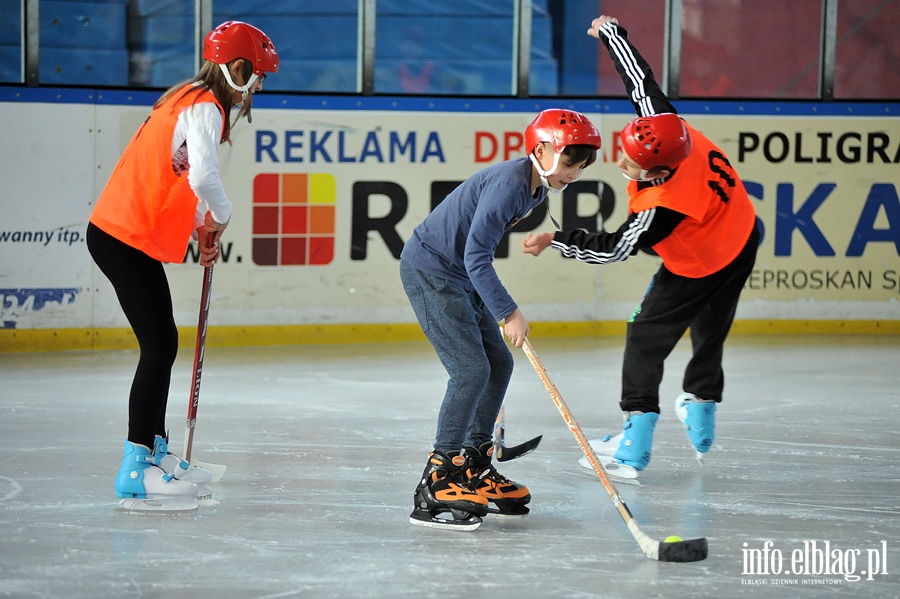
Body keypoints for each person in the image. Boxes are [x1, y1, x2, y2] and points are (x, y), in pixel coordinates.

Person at [522, 16, 759, 478]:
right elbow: (640, 80)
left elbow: (614, 248)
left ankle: (635, 439)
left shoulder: (661, 206)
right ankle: (702, 406)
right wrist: (613, 34)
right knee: (712, 327)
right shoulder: (667, 125)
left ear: (656, 174)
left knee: (644, 337)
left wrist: (558, 239)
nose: (619, 163)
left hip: (702, 261)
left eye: (631, 166)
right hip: (743, 231)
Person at [87, 21, 278, 510]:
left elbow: (178, 174)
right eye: (256, 77)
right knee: (160, 345)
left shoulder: (186, 97)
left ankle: (155, 451)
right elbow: (203, 174)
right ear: (237, 70)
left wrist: (200, 225)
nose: (257, 88)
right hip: (120, 236)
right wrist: (223, 215)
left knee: (163, 343)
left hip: (121, 234)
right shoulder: (206, 107)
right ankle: (135, 466)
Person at [400, 109, 601, 529]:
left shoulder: (535, 192)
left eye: (581, 166)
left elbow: (476, 252)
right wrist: (507, 311)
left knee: (500, 366)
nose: (575, 173)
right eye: (569, 163)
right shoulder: (511, 186)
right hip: (432, 271)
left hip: (457, 276)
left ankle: (473, 463)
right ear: (541, 149)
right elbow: (476, 256)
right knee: (471, 370)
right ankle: (438, 476)